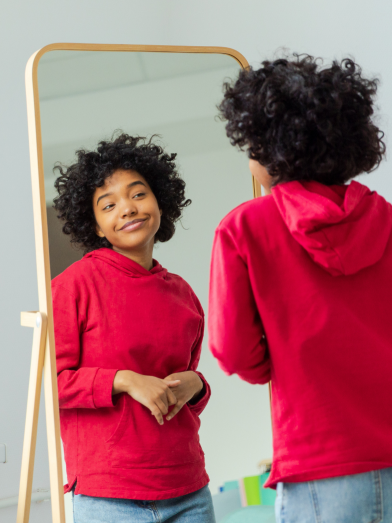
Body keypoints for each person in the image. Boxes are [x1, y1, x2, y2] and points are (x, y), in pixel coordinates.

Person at [208, 54, 392, 522]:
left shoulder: (245, 227)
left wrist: (282, 359)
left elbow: (233, 351)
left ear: (272, 149)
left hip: (319, 460)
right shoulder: (386, 219)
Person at [51, 133, 215, 522]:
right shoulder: (73, 286)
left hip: (190, 488)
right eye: (108, 205)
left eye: (138, 195)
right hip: (108, 495)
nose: (127, 209)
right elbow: (49, 383)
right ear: (96, 226)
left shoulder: (183, 295)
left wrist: (198, 385)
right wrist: (123, 380)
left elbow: (178, 387)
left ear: (160, 201)